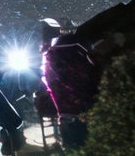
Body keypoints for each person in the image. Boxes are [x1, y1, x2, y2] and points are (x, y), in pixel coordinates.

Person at [41, 21, 102, 149]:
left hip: (76, 49)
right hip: (68, 51)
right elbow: (52, 83)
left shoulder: (86, 106)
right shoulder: (72, 108)